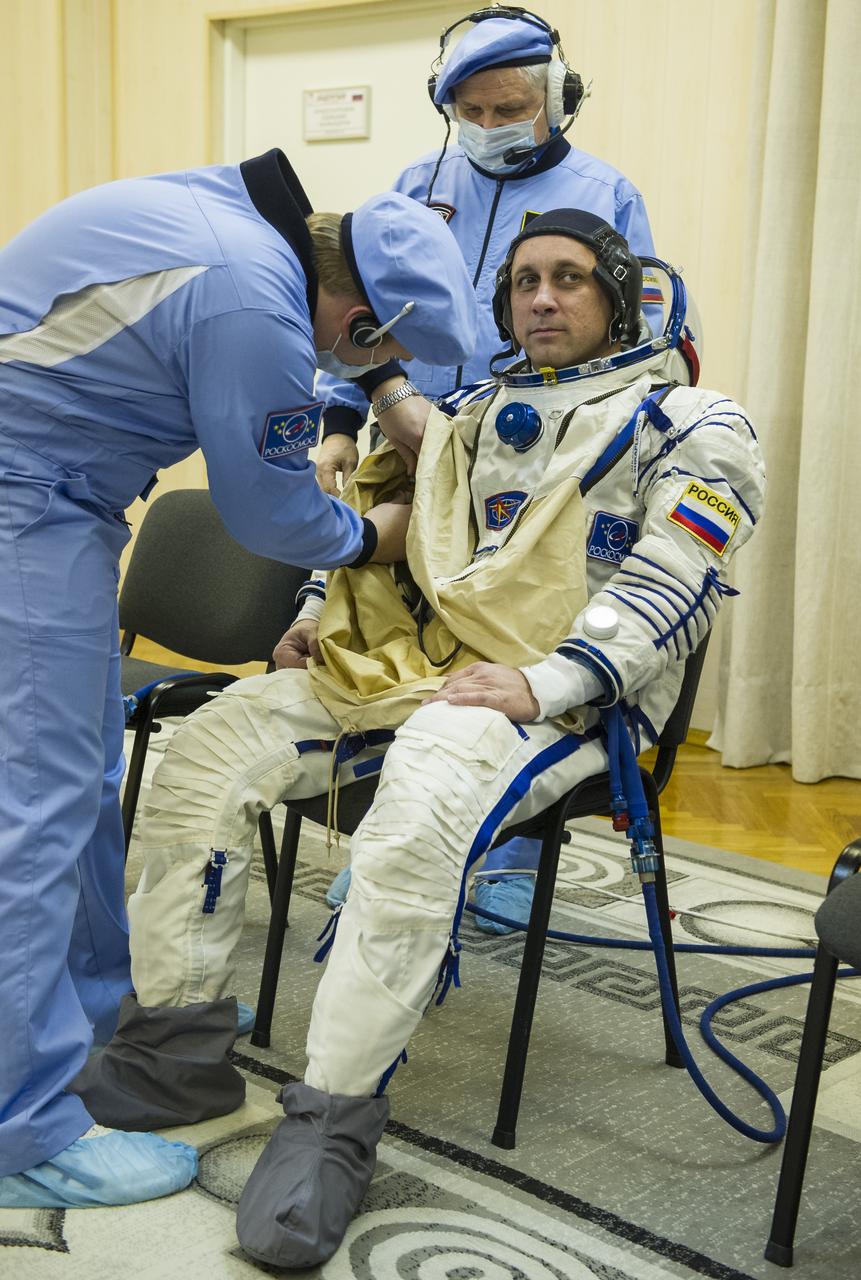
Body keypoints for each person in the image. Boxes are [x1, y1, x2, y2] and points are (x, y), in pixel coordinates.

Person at [70, 209, 764, 1265]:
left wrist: (546, 680)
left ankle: (331, 1118)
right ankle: (176, 1047)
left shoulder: (690, 418)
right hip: (418, 667)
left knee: (421, 798)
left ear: (617, 297)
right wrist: (308, 617)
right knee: (210, 742)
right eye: (525, 280)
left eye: (569, 278)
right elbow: (390, 537)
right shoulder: (473, 416)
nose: (541, 297)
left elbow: (675, 579)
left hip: (564, 698)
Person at [0, 147, 477, 1207]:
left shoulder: (226, 222)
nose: (378, 367)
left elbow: (303, 367)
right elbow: (268, 513)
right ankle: (20, 1131)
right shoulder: (249, 295)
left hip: (47, 503)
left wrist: (374, 390)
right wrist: (376, 536)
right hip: (22, 505)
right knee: (34, 807)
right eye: (381, 349)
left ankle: (84, 1027)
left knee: (72, 787)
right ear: (354, 314)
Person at [313, 5, 660, 924]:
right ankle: (404, 836)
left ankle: (506, 844)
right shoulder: (413, 183)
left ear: (555, 101)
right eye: (469, 111)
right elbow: (361, 315)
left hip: (537, 458)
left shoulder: (604, 192)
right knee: (407, 645)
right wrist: (345, 419)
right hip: (412, 447)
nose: (488, 128)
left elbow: (639, 327)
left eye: (507, 108)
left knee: (515, 646)